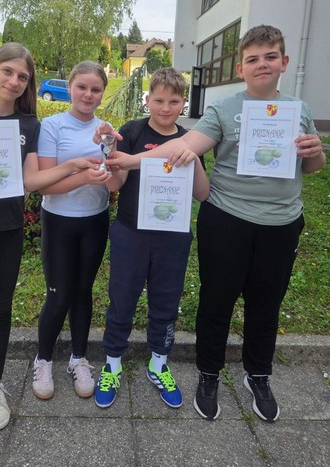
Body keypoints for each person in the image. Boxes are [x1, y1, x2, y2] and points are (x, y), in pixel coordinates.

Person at [105, 25, 326, 422]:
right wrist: (132, 160)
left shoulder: (299, 110)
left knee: (266, 304)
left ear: (284, 62)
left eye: (270, 57)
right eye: (253, 59)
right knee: (216, 302)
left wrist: (316, 152)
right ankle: (208, 374)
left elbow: (310, 167)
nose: (262, 64)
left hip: (281, 223)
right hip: (227, 219)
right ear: (241, 68)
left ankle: (258, 375)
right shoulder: (223, 110)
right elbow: (182, 147)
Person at [0, 43, 97, 433]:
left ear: (28, 84)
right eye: (8, 71)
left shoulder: (28, 125)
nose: (14, 81)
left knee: (2, 308)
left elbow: (30, 181)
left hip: (9, 229)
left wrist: (73, 165)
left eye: (22, 77)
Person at [93, 68, 209, 409]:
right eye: (159, 100)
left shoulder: (191, 139)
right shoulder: (132, 131)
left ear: (184, 102)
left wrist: (194, 160)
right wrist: (108, 151)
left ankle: (159, 363)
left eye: (174, 101)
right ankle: (112, 363)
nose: (165, 108)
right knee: (122, 298)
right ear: (148, 99)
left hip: (173, 237)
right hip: (131, 232)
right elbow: (114, 184)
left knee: (166, 302)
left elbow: (203, 194)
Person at [32, 60, 111, 401]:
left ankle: (79, 358)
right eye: (82, 87)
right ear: (70, 88)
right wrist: (84, 176)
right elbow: (45, 185)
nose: (88, 94)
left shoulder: (106, 129)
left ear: (102, 93)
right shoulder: (52, 126)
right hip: (59, 221)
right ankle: (44, 359)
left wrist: (113, 160)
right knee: (59, 294)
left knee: (83, 291)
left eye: (95, 89)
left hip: (95, 219)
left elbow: (114, 179)